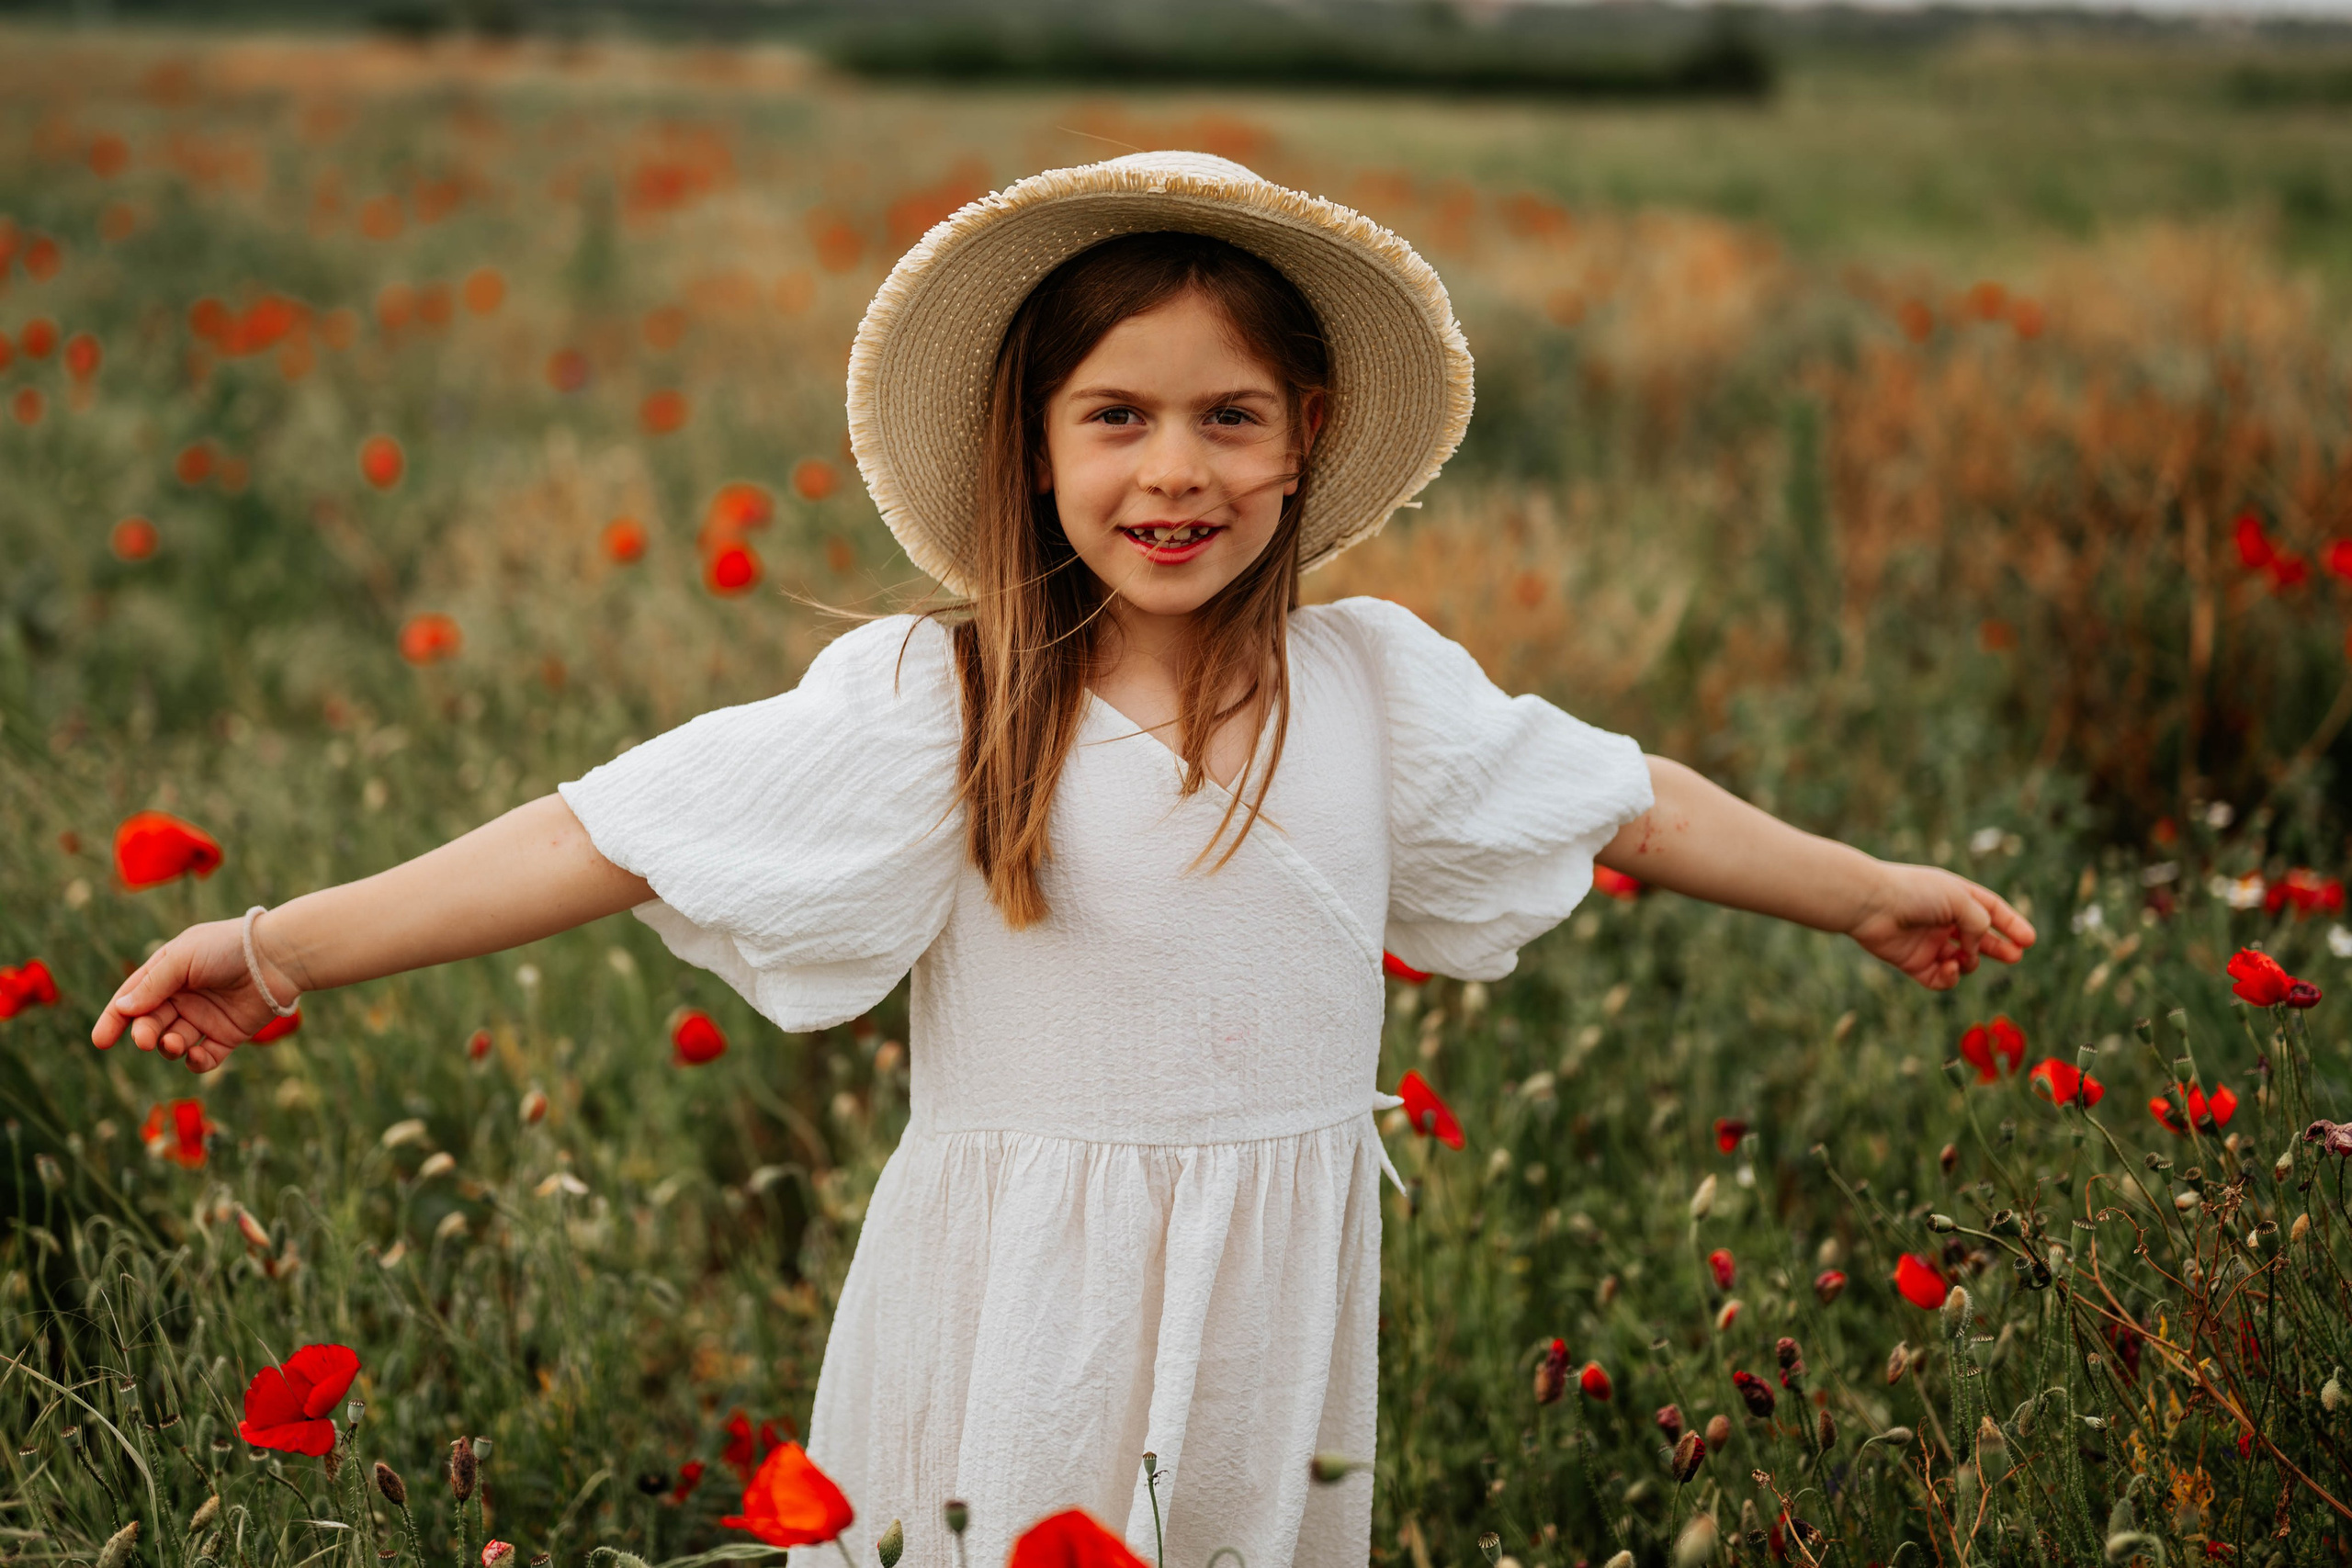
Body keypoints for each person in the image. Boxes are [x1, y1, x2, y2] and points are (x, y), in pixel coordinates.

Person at [92, 152, 2035, 1567]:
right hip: (1022, 1288)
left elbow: (1624, 796)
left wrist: (1862, 883)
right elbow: (609, 830)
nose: (1167, 469)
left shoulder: (1373, 685)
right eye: (1113, 417)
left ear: (1306, 437)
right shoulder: (941, 695)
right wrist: (279, 944)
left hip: (1271, 1286)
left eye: (1223, 417)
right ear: (1033, 446)